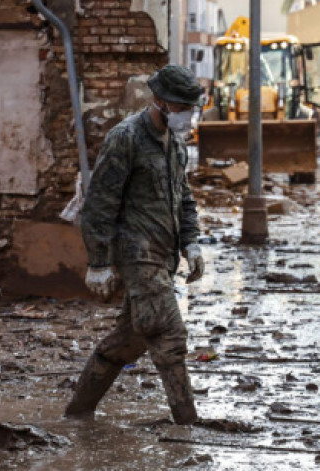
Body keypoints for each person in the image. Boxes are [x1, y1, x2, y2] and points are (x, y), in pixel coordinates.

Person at [64, 64, 205, 425]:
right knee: (170, 334)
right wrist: (98, 262)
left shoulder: (176, 143)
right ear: (158, 101)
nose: (187, 114)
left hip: (163, 255)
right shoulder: (125, 137)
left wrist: (191, 244)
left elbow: (183, 197)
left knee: (131, 339)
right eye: (181, 107)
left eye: (192, 107)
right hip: (136, 253)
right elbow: (99, 203)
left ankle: (78, 412)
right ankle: (188, 425)